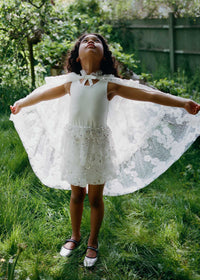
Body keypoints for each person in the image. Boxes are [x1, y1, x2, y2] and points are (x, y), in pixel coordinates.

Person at [10, 33, 200, 267]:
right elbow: (43, 94)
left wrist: (181, 102)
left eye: (96, 41)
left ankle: (93, 240)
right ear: (77, 57)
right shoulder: (71, 83)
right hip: (74, 144)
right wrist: (21, 103)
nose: (91, 41)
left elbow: (149, 94)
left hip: (98, 145)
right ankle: (75, 236)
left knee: (95, 198)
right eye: (85, 40)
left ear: (104, 56)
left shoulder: (108, 84)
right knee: (76, 194)